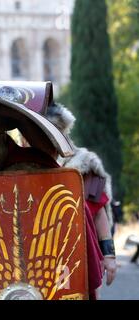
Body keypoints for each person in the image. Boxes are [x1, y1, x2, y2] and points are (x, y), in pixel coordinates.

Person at [45, 102, 117, 299]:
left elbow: (98, 211)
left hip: (78, 253)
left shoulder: (83, 162)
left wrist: (109, 255)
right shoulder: (21, 165)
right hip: (39, 255)